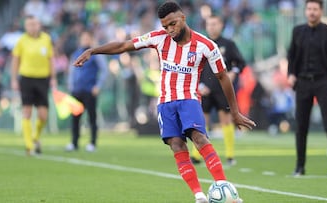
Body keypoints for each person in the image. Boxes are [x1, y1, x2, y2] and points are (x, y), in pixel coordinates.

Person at [73, 2, 255, 202]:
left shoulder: (205, 45)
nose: (169, 30)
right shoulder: (158, 38)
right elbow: (124, 45)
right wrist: (93, 50)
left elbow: (223, 77)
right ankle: (199, 196)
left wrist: (235, 112)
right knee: (177, 145)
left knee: (199, 138)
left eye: (173, 24)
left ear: (183, 18)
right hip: (165, 103)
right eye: (165, 26)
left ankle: (225, 189)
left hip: (189, 100)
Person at [287, 0, 327, 177]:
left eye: (315, 9)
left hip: (323, 82)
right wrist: (291, 73)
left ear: (321, 11)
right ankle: (299, 167)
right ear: (305, 11)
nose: (312, 12)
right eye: (309, 9)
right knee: (301, 126)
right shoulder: (297, 31)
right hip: (303, 83)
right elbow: (291, 55)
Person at [190, 15, 246, 166]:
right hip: (204, 90)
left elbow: (240, 63)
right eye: (209, 24)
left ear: (221, 25)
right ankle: (196, 155)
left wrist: (234, 72)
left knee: (225, 120)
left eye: (214, 24)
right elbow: (193, 66)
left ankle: (229, 155)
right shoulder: (201, 44)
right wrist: (199, 84)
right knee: (201, 122)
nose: (211, 27)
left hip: (222, 89)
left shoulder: (228, 44)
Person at [11, 15, 56, 155]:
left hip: (43, 79)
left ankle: (35, 137)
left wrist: (53, 77)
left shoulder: (46, 39)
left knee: (43, 115)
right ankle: (29, 145)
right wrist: (14, 79)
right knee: (27, 112)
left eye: (34, 24)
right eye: (29, 24)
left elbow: (51, 59)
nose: (32, 27)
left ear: (39, 25)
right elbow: (15, 60)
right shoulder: (22, 41)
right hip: (26, 78)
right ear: (25, 26)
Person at [66, 30, 108, 152]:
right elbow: (72, 71)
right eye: (83, 38)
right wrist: (71, 86)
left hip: (90, 90)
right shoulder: (76, 54)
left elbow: (104, 70)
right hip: (77, 91)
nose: (85, 40)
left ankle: (92, 143)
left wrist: (98, 86)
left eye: (87, 38)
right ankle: (74, 143)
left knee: (92, 118)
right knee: (75, 118)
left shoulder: (94, 54)